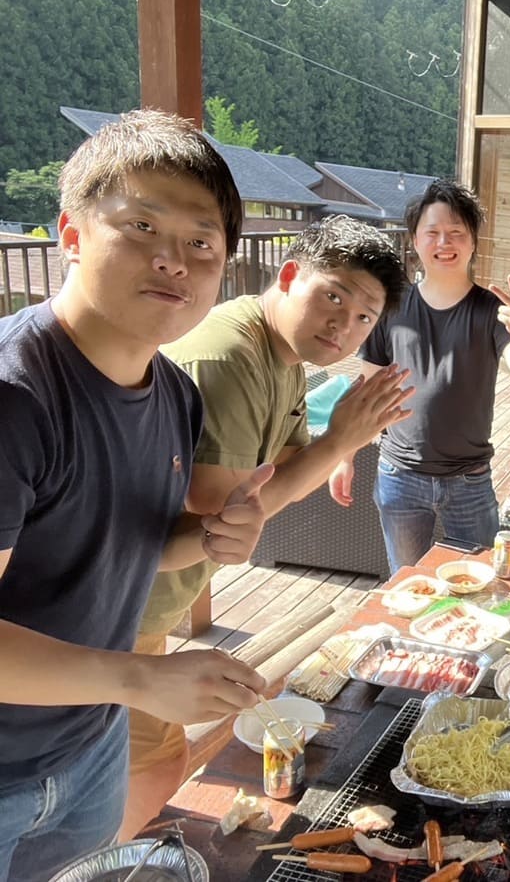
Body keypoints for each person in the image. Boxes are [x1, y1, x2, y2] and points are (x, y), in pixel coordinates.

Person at [0, 109, 270, 882]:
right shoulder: (16, 399)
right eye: (142, 226)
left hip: (89, 747)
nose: (173, 261)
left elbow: (124, 547)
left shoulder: (174, 395)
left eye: (201, 243)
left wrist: (208, 538)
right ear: (71, 235)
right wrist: (142, 679)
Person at [119, 215, 414, 839]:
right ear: (288, 275)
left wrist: (338, 447)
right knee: (147, 769)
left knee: (140, 763)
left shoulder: (284, 356)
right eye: (333, 297)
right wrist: (339, 441)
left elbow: (285, 469)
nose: (344, 325)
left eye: (365, 317)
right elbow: (227, 509)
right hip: (117, 607)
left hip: (147, 600)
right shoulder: (230, 355)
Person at [330, 179, 510, 572]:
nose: (445, 243)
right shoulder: (391, 307)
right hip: (400, 474)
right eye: (433, 233)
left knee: (479, 585)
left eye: (456, 232)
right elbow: (367, 390)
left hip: (469, 481)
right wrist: (345, 457)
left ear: (473, 242)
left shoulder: (490, 310)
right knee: (408, 584)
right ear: (415, 240)